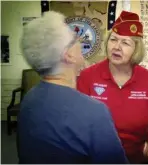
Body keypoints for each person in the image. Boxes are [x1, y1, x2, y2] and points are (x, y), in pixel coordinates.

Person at [17, 11, 128, 164]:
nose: (81, 42)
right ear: (68, 55)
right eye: (75, 38)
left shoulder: (29, 98)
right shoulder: (94, 112)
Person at [77, 10, 148, 164]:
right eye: (113, 40)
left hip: (137, 160)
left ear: (136, 50)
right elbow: (76, 124)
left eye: (125, 42)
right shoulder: (88, 76)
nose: (117, 47)